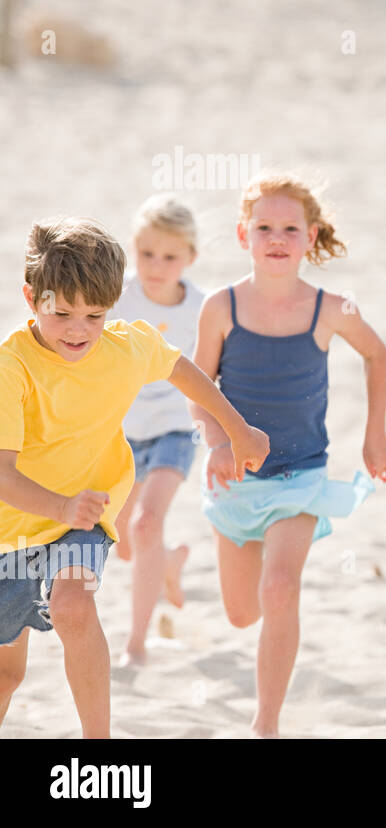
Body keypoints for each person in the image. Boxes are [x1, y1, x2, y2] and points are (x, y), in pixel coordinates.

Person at [0, 217, 268, 737]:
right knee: (7, 674)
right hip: (12, 525)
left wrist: (237, 430)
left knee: (74, 605)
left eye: (94, 315)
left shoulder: (125, 346)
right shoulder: (12, 369)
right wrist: (56, 505)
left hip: (85, 513)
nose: (79, 330)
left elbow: (179, 368)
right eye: (62, 314)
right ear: (32, 298)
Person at [189, 175, 386, 737]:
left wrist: (374, 434)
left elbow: (377, 355)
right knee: (241, 611)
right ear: (242, 236)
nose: (276, 238)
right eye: (263, 228)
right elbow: (198, 388)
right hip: (234, 479)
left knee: (279, 588)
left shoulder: (330, 308)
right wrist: (215, 443)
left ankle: (266, 723)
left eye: (289, 229)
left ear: (311, 237)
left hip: (302, 475)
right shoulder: (220, 307)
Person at [113, 195, 206, 666]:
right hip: (122, 435)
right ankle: (168, 562)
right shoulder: (117, 297)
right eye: (147, 253)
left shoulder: (202, 309)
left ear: (190, 258)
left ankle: (136, 644)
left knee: (146, 523)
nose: (157, 265)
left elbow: (215, 375)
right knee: (126, 543)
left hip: (174, 432)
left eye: (170, 256)